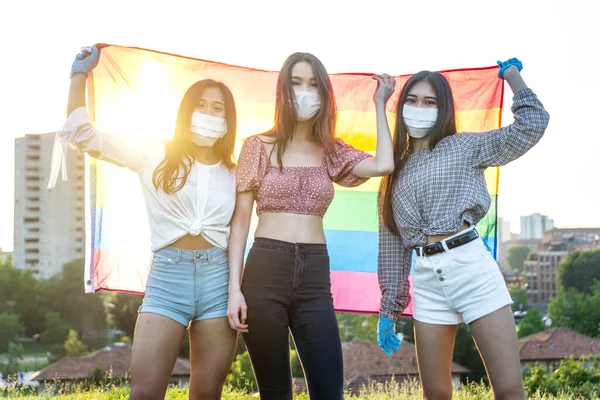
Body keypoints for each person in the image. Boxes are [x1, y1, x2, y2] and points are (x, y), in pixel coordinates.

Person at [52, 46, 239, 400]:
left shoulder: (236, 171)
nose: (208, 114)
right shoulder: (153, 152)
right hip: (168, 280)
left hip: (219, 283)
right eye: (201, 105)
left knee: (207, 393)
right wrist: (79, 74)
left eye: (218, 109)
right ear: (186, 112)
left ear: (229, 122)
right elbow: (81, 134)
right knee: (145, 391)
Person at [377, 58, 549, 399]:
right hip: (427, 280)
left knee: (509, 390)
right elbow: (392, 244)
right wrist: (389, 308)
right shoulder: (392, 170)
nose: (419, 108)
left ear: (443, 110)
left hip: (471, 269)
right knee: (436, 394)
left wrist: (513, 77)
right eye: (411, 100)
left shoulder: (465, 146)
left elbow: (533, 125)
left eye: (430, 102)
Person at [225, 52, 395, 399]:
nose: (305, 92)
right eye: (296, 83)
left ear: (324, 95)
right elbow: (240, 222)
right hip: (264, 272)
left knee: (329, 391)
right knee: (275, 392)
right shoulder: (257, 147)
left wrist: (381, 104)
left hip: (314, 276)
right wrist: (234, 289)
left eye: (313, 84)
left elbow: (383, 164)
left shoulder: (332, 150)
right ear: (283, 92)